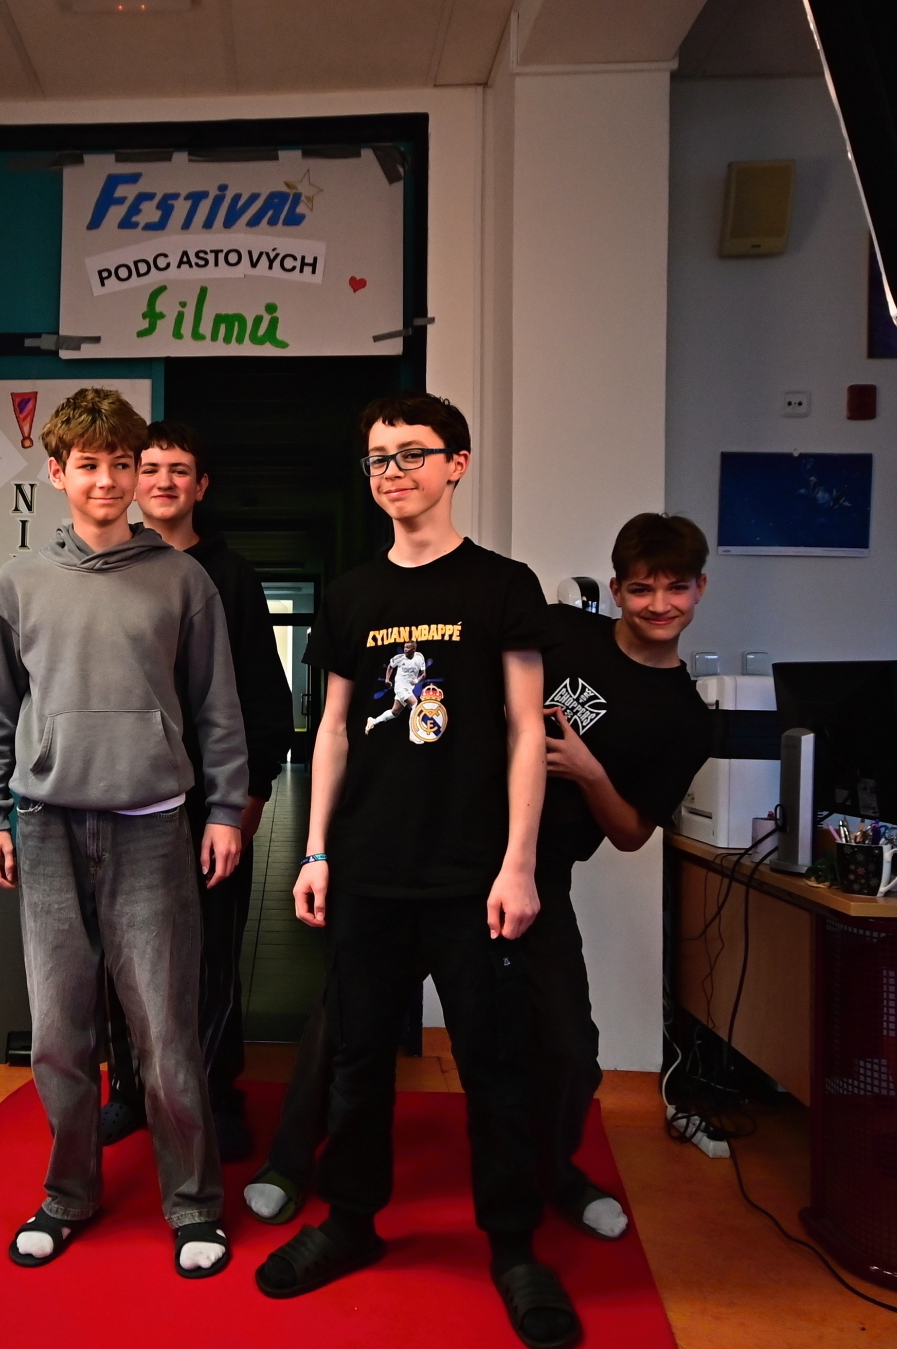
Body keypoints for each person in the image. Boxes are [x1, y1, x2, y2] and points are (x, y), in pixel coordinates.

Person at [254, 393, 576, 1349]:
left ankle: (513, 1247)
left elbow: (527, 731)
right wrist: (316, 850)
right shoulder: (354, 594)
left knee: (495, 1067)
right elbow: (333, 731)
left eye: (410, 454)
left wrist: (520, 865)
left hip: (475, 876)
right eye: (378, 459)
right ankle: (351, 1220)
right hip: (367, 872)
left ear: (456, 464)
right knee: (357, 1065)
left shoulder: (503, 585)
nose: (391, 472)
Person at [0, 388, 249, 1279]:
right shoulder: (20, 583)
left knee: (165, 1031)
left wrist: (227, 809)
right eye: (89, 465)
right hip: (46, 826)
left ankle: (193, 1203)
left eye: (122, 464)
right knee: (59, 1032)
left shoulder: (184, 581)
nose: (108, 480)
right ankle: (68, 1194)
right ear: (58, 473)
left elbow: (217, 709)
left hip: (154, 828)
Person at [100, 420, 296, 1162]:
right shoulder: (109, 569)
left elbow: (264, 697)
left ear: (201, 486)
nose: (162, 481)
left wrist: (248, 798)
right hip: (122, 798)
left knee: (210, 955)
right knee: (121, 952)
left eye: (178, 469)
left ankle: (214, 1094)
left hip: (207, 804)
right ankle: (129, 1091)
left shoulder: (231, 578)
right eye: (149, 468)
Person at [526, 513, 712, 1244]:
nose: (659, 604)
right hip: (459, 849)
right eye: (641, 589)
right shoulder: (561, 631)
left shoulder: (686, 720)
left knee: (571, 1048)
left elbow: (632, 833)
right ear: (615, 589)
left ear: (700, 589)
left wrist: (589, 770)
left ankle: (555, 1176)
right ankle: (294, 1162)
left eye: (676, 588)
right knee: (355, 1010)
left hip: (541, 873)